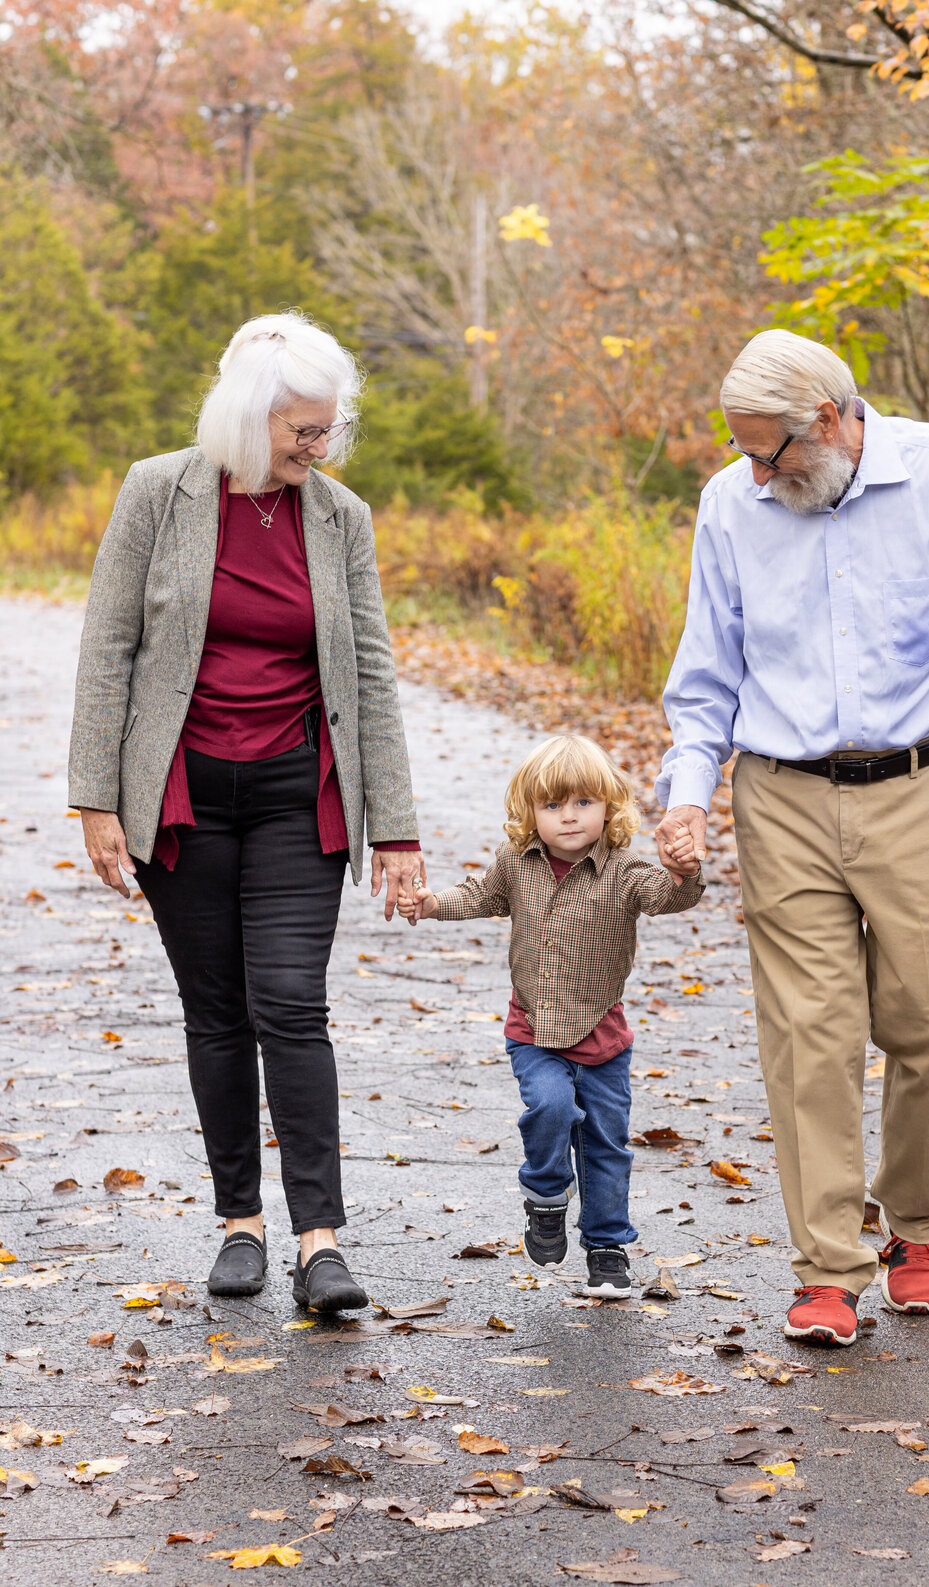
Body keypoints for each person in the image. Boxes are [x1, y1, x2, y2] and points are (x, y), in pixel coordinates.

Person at [654, 329, 929, 1347]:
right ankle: (827, 1265)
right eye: (741, 450)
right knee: (809, 1040)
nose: (755, 470)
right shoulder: (731, 505)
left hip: (920, 785)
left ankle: (914, 1225)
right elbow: (706, 676)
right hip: (781, 796)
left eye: (769, 449)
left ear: (828, 420)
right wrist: (689, 794)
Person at [68, 312, 425, 1312]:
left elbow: (372, 672)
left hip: (295, 792)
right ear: (247, 418)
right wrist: (97, 799)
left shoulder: (338, 517)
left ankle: (320, 1239)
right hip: (180, 793)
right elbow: (109, 648)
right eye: (303, 431)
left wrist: (395, 826)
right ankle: (240, 1222)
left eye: (327, 430)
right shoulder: (157, 491)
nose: (321, 447)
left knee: (290, 1005)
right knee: (218, 1011)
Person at [399, 734, 704, 1297]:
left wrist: (684, 871)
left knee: (606, 1144)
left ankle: (607, 1247)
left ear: (609, 807)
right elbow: (480, 896)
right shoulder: (516, 865)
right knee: (551, 1105)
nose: (569, 818)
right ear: (529, 812)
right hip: (535, 1030)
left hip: (603, 1036)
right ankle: (545, 1194)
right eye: (553, 806)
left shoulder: (626, 871)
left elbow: (671, 896)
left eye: (583, 803)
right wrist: (432, 902)